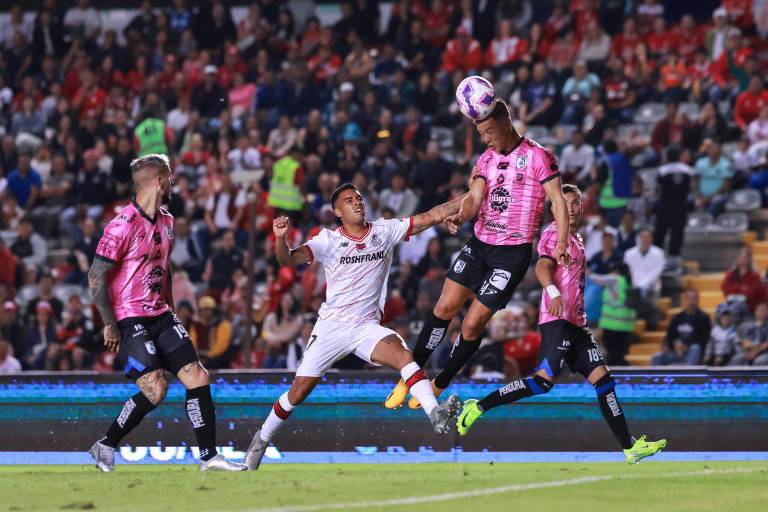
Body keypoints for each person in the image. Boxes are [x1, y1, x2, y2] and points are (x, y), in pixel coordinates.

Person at [243, 184, 464, 471]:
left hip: (365, 327)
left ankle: (435, 413)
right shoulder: (328, 241)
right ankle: (261, 439)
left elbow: (431, 216)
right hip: (331, 328)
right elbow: (287, 259)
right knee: (298, 392)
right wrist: (281, 239)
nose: (357, 202)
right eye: (348, 201)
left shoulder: (385, 231)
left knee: (403, 355)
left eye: (359, 198)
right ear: (337, 212)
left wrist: (473, 195)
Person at [455, 185, 666, 465]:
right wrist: (553, 292)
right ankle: (478, 406)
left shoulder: (576, 239)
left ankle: (630, 447)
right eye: (565, 204)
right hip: (557, 321)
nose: (572, 209)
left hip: (577, 325)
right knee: (542, 383)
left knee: (604, 381)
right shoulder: (554, 233)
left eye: (576, 203)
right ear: (555, 209)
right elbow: (542, 266)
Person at [385, 100, 570, 411]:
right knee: (444, 307)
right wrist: (461, 215)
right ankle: (410, 377)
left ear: (505, 124)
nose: (486, 139)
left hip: (511, 254)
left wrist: (561, 241)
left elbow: (558, 201)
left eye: (489, 132)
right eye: (482, 133)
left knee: (471, 325)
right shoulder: (486, 159)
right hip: (480, 244)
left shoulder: (539, 156)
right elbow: (474, 198)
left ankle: (440, 382)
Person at [87, 154, 244, 472]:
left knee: (198, 376)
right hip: (130, 318)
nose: (173, 183)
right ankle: (106, 444)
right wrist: (109, 324)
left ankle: (208, 457)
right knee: (156, 389)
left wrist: (170, 306)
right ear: (159, 181)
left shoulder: (168, 221)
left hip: (161, 314)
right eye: (170, 178)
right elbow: (95, 275)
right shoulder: (121, 225)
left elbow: (164, 268)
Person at [592, 262, 637, 366]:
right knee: (619, 354)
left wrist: (586, 272)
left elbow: (596, 279)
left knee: (613, 356)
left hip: (612, 325)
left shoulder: (616, 279)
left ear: (616, 271)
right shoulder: (628, 282)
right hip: (626, 326)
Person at [651, 289, 711, 366]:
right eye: (689, 298)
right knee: (656, 357)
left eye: (694, 298)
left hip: (692, 352)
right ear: (684, 300)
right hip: (676, 352)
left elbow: (705, 340)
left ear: (698, 300)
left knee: (695, 348)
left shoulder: (704, 318)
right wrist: (670, 345)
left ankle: (688, 372)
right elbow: (669, 337)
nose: (691, 301)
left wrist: (686, 346)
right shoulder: (677, 318)